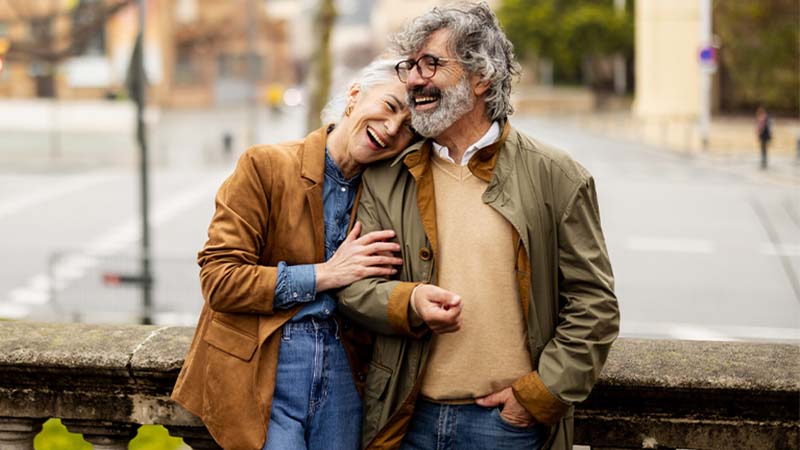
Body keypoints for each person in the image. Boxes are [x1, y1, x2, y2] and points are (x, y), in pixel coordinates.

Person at [338, 3, 619, 450]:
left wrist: (536, 397)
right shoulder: (387, 175)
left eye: (431, 64)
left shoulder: (558, 176)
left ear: (480, 77)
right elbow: (354, 288)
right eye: (409, 66)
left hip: (506, 428)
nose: (413, 79)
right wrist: (408, 302)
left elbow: (594, 307)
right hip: (405, 420)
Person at [171, 59, 418, 450]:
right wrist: (325, 274)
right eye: (389, 106)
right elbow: (219, 280)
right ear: (354, 96)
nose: (391, 129)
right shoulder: (266, 166)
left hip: (344, 369)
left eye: (408, 127)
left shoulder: (388, 194)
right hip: (265, 366)